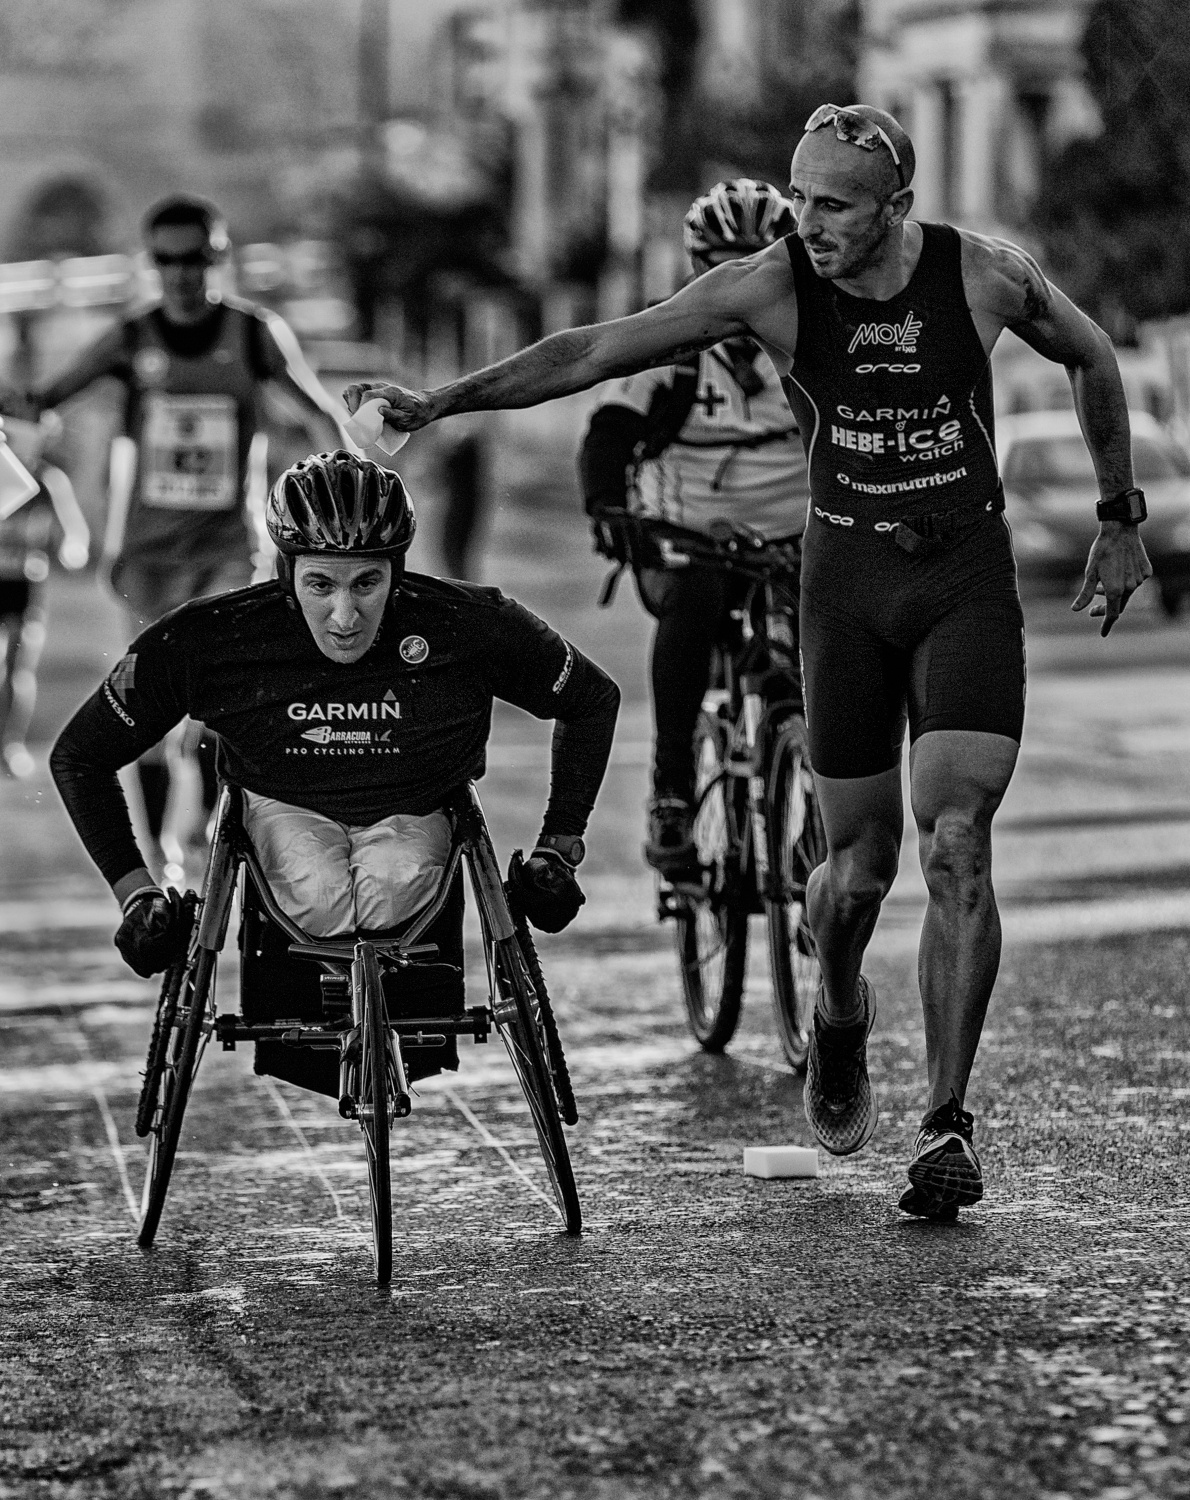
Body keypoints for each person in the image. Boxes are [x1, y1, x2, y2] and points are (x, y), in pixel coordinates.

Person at [343, 104, 1152, 1220]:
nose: (807, 222)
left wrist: (1118, 515)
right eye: (799, 196)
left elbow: (1092, 354)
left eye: (833, 205)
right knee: (855, 872)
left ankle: (946, 1123)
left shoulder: (984, 277)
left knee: (958, 844)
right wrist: (443, 401)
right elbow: (594, 349)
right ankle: (836, 1005)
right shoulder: (770, 286)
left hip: (962, 577)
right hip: (845, 584)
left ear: (897, 208)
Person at [51, 451, 619, 1006]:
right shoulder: (212, 636)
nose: (345, 618)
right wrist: (136, 894)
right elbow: (81, 756)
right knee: (321, 885)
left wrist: (558, 847)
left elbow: (591, 698)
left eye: (366, 583)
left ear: (397, 572)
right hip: (283, 810)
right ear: (286, 574)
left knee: (393, 875)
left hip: (415, 813)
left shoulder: (469, 623)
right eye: (321, 585)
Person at [3, 195, 345, 870]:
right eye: (167, 259)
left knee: (219, 696)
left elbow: (317, 412)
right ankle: (161, 853)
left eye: (195, 258)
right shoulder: (133, 338)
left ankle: (213, 833)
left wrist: (347, 483)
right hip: (149, 556)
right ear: (151, 263)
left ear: (219, 257)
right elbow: (44, 400)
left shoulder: (253, 334)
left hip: (227, 547)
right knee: (154, 703)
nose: (182, 274)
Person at [579, 179, 807, 873]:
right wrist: (607, 508)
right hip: (685, 539)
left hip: (797, 541)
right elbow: (610, 432)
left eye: (760, 268)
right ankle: (672, 792)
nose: (743, 289)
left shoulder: (814, 341)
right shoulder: (671, 346)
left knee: (839, 636)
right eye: (724, 271)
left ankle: (829, 808)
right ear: (696, 271)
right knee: (697, 597)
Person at [0, 414, 90, 778]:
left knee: (17, 667)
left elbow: (74, 532)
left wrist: (70, 548)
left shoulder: (44, 479)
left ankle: (9, 745)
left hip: (22, 580)